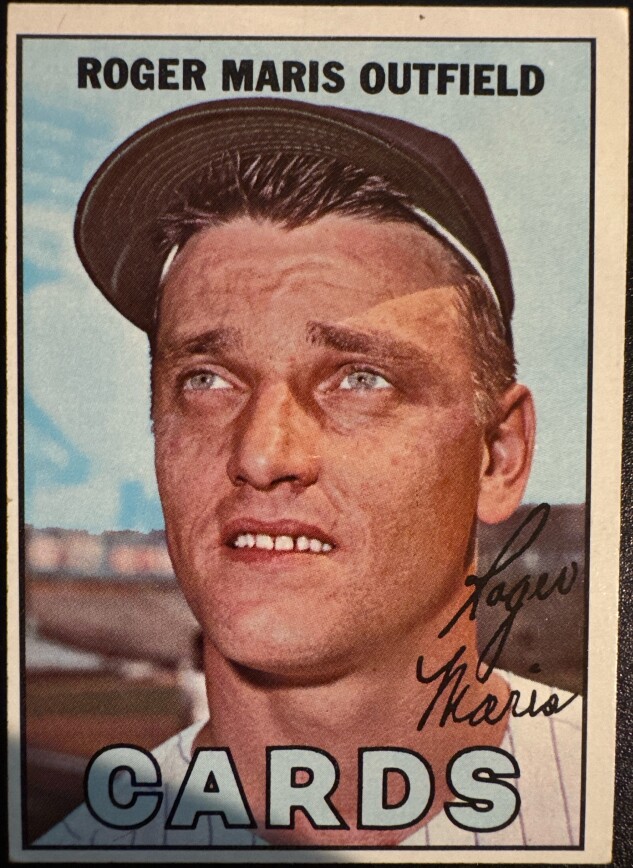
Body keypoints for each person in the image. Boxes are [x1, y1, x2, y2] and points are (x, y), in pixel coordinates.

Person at [36, 98, 581, 849]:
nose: (262, 455)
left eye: (360, 379)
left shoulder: (601, 797)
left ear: (498, 455)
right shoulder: (86, 851)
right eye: (206, 380)